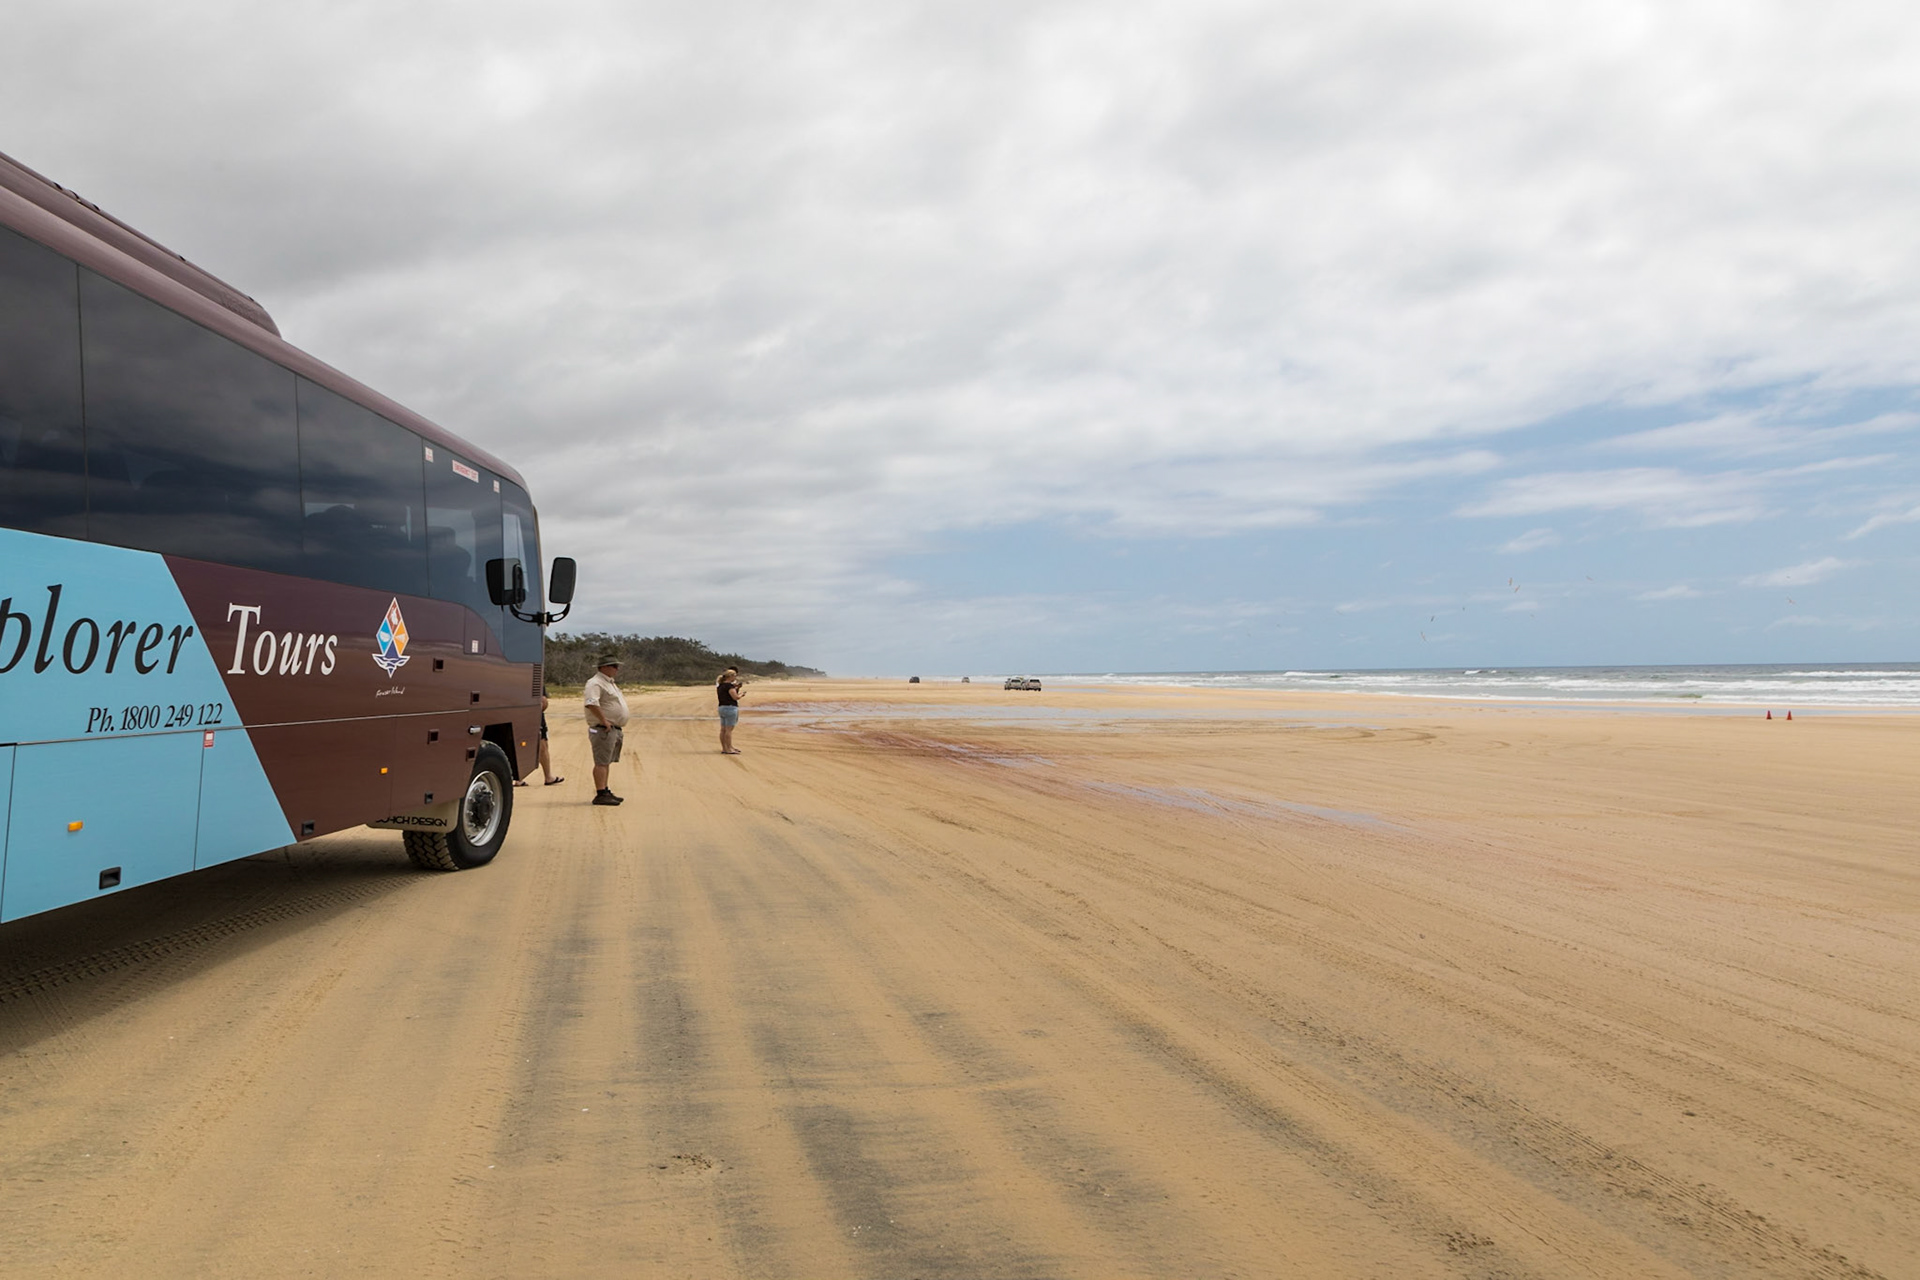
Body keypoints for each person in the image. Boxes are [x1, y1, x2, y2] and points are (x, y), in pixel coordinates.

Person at [583, 656, 628, 805]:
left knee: (606, 761)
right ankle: (600, 793)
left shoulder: (609, 683)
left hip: (612, 729)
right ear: (603, 667)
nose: (616, 669)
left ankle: (605, 790)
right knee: (601, 762)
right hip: (603, 729)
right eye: (613, 666)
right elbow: (591, 703)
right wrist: (604, 721)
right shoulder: (595, 683)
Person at [515, 694, 564, 787]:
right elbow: (543, 701)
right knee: (542, 745)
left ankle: (519, 778)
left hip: (518, 714)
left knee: (520, 744)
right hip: (534, 716)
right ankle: (548, 776)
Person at [717, 666, 743, 754]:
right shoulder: (729, 686)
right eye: (734, 676)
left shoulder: (720, 686)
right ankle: (728, 748)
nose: (735, 677)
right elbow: (735, 697)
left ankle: (725, 748)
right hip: (730, 708)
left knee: (723, 730)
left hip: (722, 707)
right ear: (730, 676)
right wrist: (741, 695)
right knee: (728, 730)